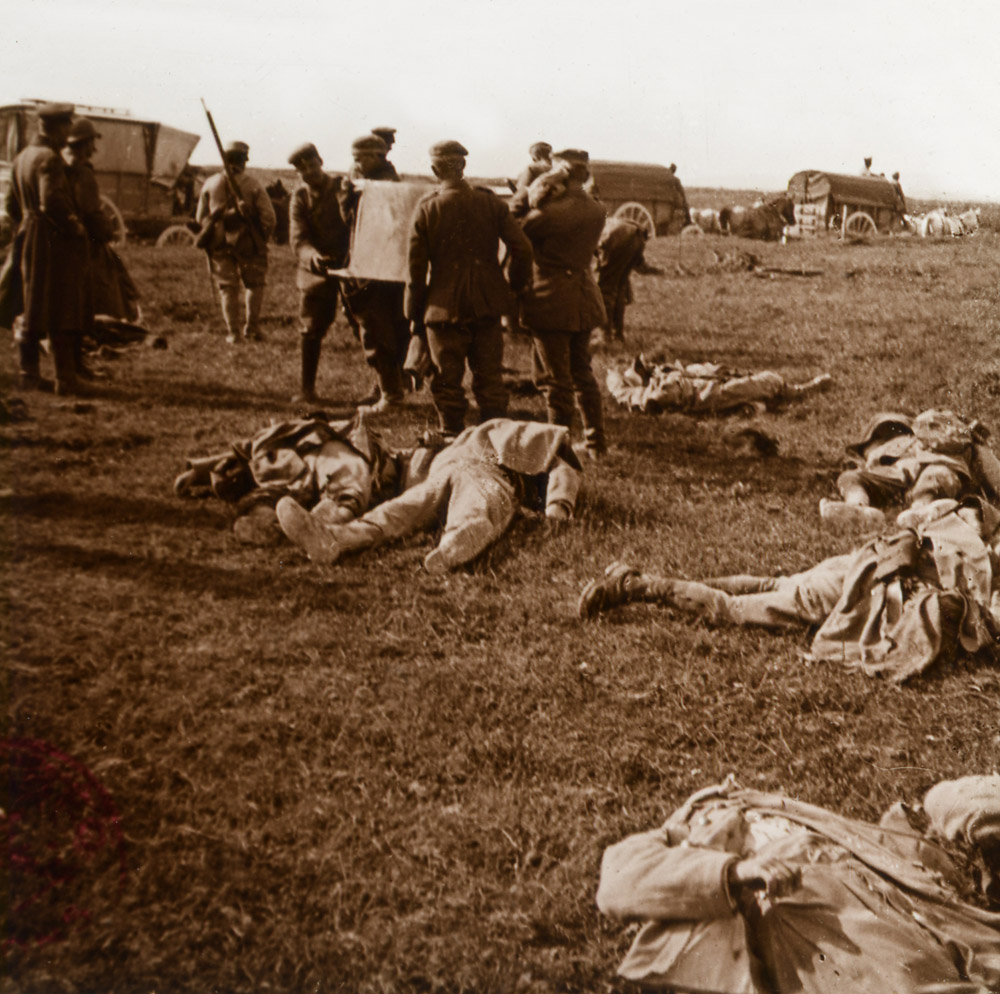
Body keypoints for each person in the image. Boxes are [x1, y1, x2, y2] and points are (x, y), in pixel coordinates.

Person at [597, 774, 1000, 993]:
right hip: (805, 904)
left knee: (982, 953)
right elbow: (615, 880)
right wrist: (734, 871)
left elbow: (880, 841)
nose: (728, 793)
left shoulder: (774, 808)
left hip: (894, 890)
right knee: (908, 975)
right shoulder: (675, 835)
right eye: (714, 803)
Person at [579, 496, 1000, 682]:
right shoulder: (983, 558)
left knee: (775, 584)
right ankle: (637, 585)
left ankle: (643, 579)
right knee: (732, 609)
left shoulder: (963, 528)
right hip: (871, 585)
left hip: (862, 561)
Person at [274, 418, 582, 573]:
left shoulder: (519, 440)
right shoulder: (482, 439)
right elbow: (564, 472)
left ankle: (455, 544)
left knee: (458, 505)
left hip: (470, 473)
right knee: (404, 510)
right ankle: (336, 538)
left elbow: (564, 474)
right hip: (458, 474)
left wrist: (559, 508)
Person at [404, 140, 533, 435]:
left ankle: (450, 437)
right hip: (487, 305)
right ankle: (495, 440)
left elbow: (415, 271)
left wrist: (414, 313)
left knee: (446, 381)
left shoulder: (427, 208)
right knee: (490, 378)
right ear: (463, 166)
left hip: (441, 308)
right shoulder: (491, 204)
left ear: (435, 169)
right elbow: (523, 249)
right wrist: (511, 288)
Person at [519, 149, 609, 458]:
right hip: (583, 298)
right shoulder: (597, 210)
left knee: (554, 380)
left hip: (551, 300)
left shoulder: (547, 214)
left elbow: (516, 230)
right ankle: (597, 444)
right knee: (582, 372)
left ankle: (558, 448)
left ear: (563, 173)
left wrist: (528, 193)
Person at [0, 103, 87, 395]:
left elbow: (11, 205)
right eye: (67, 127)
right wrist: (74, 226)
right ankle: (66, 378)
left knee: (28, 303)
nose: (69, 133)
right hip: (49, 240)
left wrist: (26, 225)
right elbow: (52, 202)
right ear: (57, 128)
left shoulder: (22, 156)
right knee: (61, 304)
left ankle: (29, 374)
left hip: (26, 233)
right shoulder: (49, 158)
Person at [819, 409, 1000, 530]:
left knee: (936, 477)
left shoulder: (945, 428)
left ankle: (921, 510)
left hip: (936, 465)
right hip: (897, 472)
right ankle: (858, 508)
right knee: (850, 477)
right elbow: (861, 471)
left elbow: (992, 469)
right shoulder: (879, 450)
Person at [64, 117, 141, 379]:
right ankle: (79, 358)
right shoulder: (83, 172)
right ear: (82, 145)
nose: (93, 150)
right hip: (88, 246)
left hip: (70, 243)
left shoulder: (63, 166)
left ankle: (76, 357)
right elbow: (91, 212)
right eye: (90, 144)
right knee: (93, 298)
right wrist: (106, 231)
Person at [340, 134, 410, 411]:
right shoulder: (360, 182)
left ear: (379, 157)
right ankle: (390, 386)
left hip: (381, 268)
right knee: (382, 328)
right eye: (355, 157)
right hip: (370, 266)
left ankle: (391, 393)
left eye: (362, 157)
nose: (357, 162)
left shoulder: (387, 186)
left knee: (378, 330)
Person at [287, 142, 351, 404]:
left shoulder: (343, 186)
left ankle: (384, 390)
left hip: (351, 263)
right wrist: (313, 258)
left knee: (369, 324)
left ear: (321, 162)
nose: (309, 173)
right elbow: (298, 239)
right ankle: (307, 389)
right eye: (303, 170)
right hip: (317, 269)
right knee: (311, 326)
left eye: (312, 166)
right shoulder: (300, 197)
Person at [195, 140, 276, 344]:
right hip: (248, 241)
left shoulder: (210, 183)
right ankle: (252, 329)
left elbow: (199, 218)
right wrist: (261, 238)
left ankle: (234, 334)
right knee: (254, 284)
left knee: (227, 288)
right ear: (244, 161)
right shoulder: (253, 184)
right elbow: (269, 217)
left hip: (219, 242)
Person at [606, 356, 833, 416]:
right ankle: (797, 392)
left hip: (706, 385)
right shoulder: (646, 392)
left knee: (743, 385)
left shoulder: (667, 373)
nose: (649, 367)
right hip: (707, 394)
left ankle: (752, 406)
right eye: (644, 369)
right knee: (768, 380)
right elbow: (622, 389)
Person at [595, 217, 648, 342]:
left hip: (617, 238)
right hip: (637, 236)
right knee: (620, 287)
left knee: (606, 289)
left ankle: (606, 335)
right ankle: (618, 334)